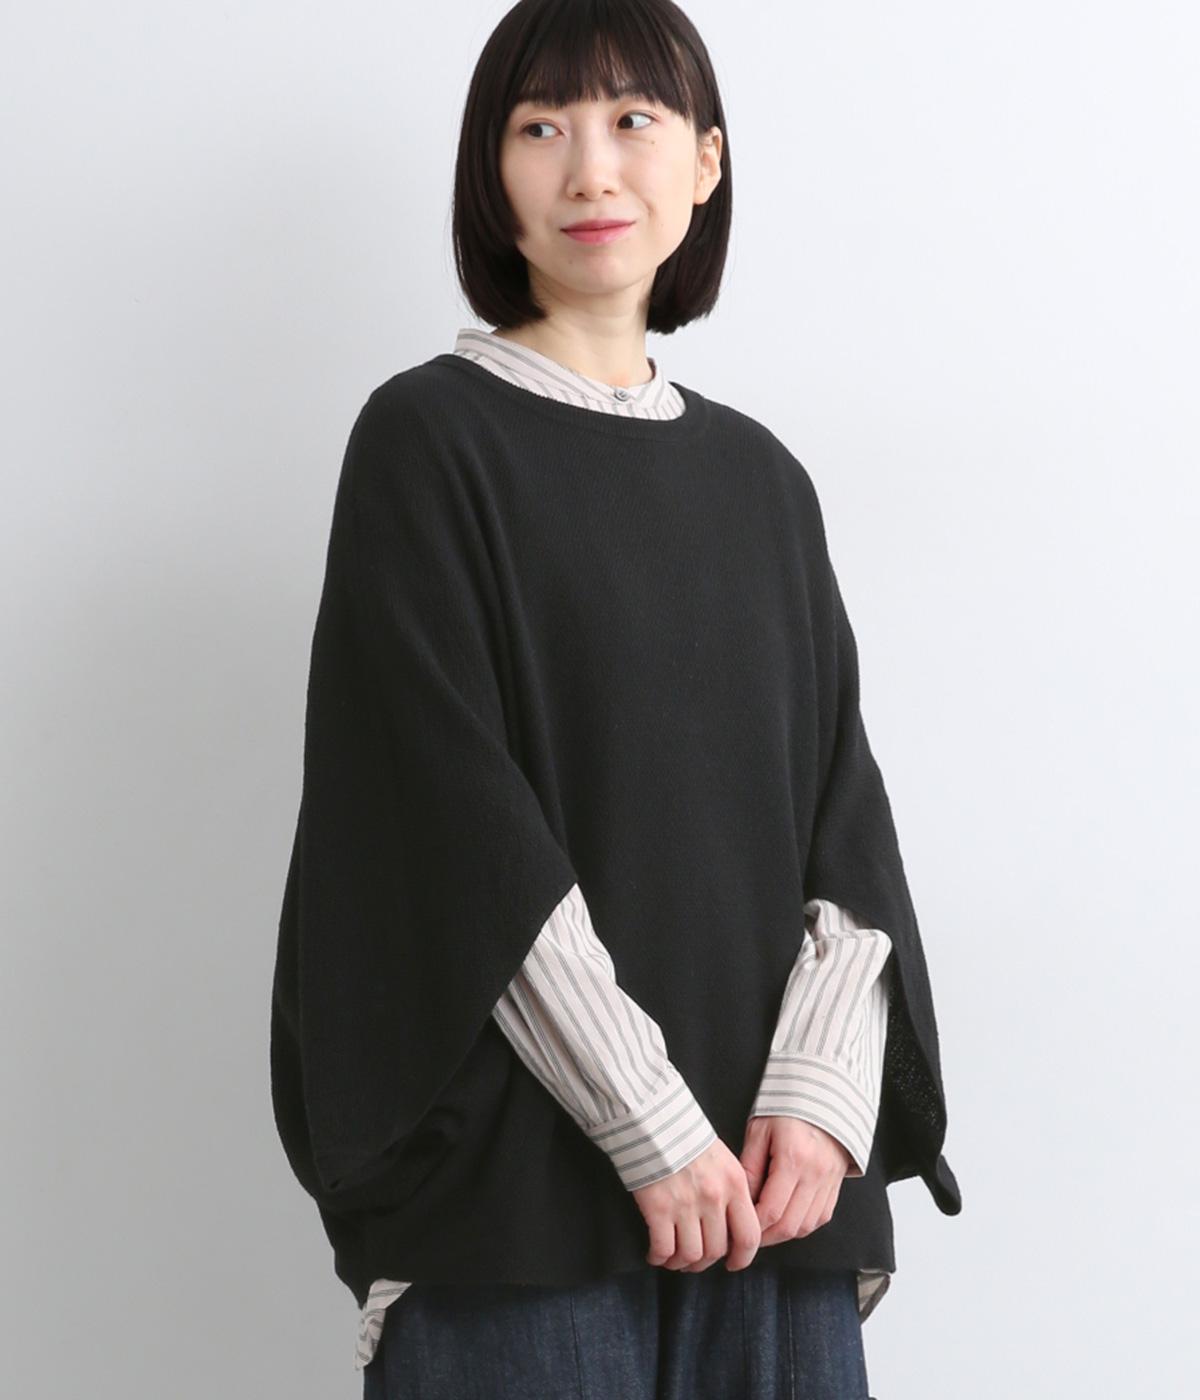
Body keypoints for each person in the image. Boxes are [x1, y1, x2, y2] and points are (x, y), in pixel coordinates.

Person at [268, 2, 961, 1396]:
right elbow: (446, 825)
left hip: (773, 1205)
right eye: (541, 128)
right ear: (492, 173)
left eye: (633, 120)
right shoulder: (429, 440)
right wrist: (651, 1124)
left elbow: (843, 819)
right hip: (523, 1207)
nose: (590, 169)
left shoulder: (764, 482)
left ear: (705, 162)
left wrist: (821, 1100)